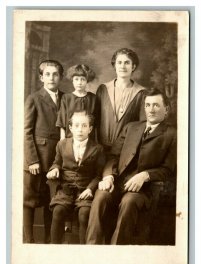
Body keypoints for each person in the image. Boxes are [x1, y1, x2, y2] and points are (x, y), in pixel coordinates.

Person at [86, 88, 177, 245]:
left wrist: (145, 175)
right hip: (118, 182)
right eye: (148, 105)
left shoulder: (172, 134)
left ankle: (118, 252)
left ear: (166, 109)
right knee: (101, 196)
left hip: (144, 190)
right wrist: (108, 176)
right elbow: (113, 156)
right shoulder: (131, 127)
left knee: (129, 202)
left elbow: (168, 170)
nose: (151, 109)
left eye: (156, 105)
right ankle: (92, 248)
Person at [46, 111, 105, 244]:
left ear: (90, 129)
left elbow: (98, 175)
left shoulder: (97, 149)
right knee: (58, 211)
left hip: (84, 191)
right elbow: (57, 162)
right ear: (71, 128)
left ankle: (83, 251)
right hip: (65, 190)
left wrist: (90, 189)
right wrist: (54, 169)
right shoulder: (62, 145)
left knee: (84, 214)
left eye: (84, 126)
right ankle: (54, 249)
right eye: (77, 125)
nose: (80, 129)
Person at [24, 59, 64, 243]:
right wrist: (32, 160)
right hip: (37, 158)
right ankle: (28, 241)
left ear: (61, 77)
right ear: (41, 77)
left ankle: (50, 241)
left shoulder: (66, 97)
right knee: (30, 200)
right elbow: (27, 131)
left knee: (52, 200)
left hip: (57, 158)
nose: (51, 78)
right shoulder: (34, 98)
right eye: (47, 74)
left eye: (55, 74)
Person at [96, 47, 146, 154]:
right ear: (114, 65)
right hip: (100, 148)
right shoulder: (103, 89)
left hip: (126, 150)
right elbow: (95, 119)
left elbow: (142, 125)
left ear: (133, 67)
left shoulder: (141, 93)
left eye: (127, 62)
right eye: (119, 62)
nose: (123, 66)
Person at [56, 64, 97, 140]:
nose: (79, 82)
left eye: (83, 79)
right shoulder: (66, 98)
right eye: (76, 79)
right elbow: (62, 122)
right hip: (70, 138)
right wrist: (62, 140)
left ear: (87, 81)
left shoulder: (93, 98)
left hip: (89, 140)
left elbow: (96, 122)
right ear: (72, 81)